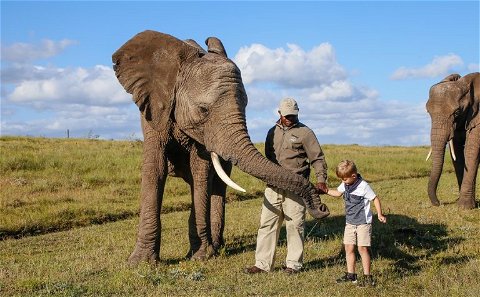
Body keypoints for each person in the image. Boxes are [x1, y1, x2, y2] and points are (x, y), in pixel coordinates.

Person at [244, 97, 329, 274]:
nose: (290, 118)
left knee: (294, 225)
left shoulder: (305, 132)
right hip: (273, 186)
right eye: (287, 115)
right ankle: (262, 264)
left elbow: (317, 158)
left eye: (293, 115)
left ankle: (293, 265)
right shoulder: (271, 132)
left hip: (297, 187)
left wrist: (321, 179)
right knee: (267, 225)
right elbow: (268, 158)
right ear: (279, 113)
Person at [326, 160, 387, 287]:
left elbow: (375, 199)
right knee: (348, 248)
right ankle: (351, 275)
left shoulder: (363, 186)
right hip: (350, 222)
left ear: (353, 176)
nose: (343, 181)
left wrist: (380, 214)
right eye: (341, 179)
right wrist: (325, 190)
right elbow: (337, 193)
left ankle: (367, 277)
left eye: (345, 179)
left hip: (363, 223)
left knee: (362, 248)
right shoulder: (346, 184)